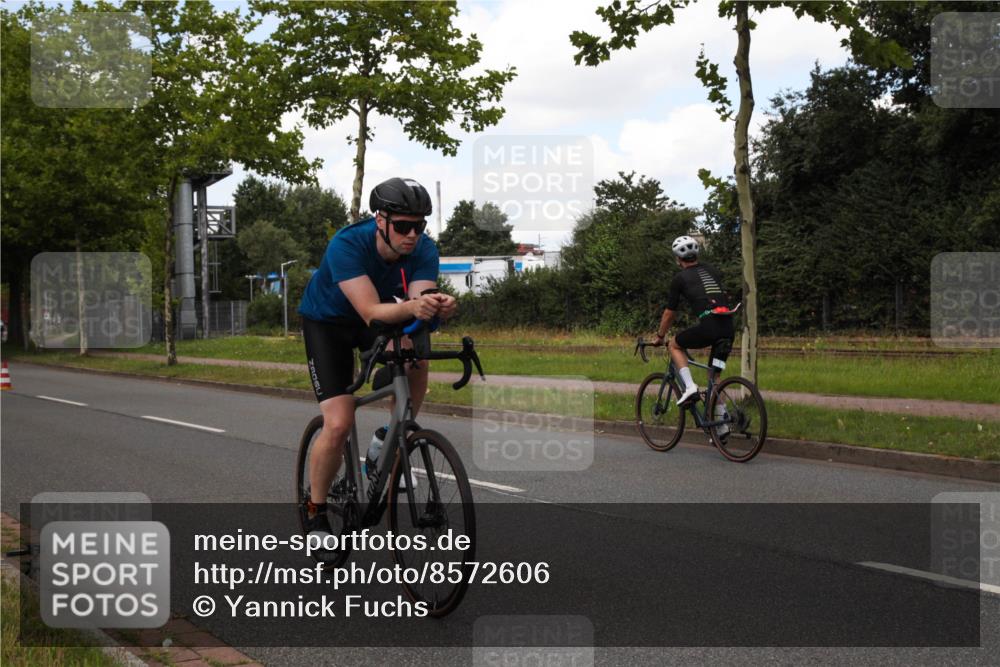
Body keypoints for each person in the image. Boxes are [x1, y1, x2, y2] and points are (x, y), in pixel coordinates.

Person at [297, 177, 457, 551]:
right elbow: (370, 311)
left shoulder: (424, 249)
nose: (412, 235)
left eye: (419, 226)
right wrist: (415, 307)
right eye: (403, 226)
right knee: (338, 423)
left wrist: (438, 305)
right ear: (379, 220)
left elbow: (418, 301)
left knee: (416, 352)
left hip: (384, 315)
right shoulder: (347, 244)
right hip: (329, 324)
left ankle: (389, 435)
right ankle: (316, 510)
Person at [652, 235, 734, 406]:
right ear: (696, 255)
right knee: (715, 377)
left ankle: (690, 387)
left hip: (709, 329)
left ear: (678, 259)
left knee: (674, 344)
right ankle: (721, 424)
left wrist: (660, 336)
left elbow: (669, 313)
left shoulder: (680, 279)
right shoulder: (712, 271)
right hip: (728, 330)